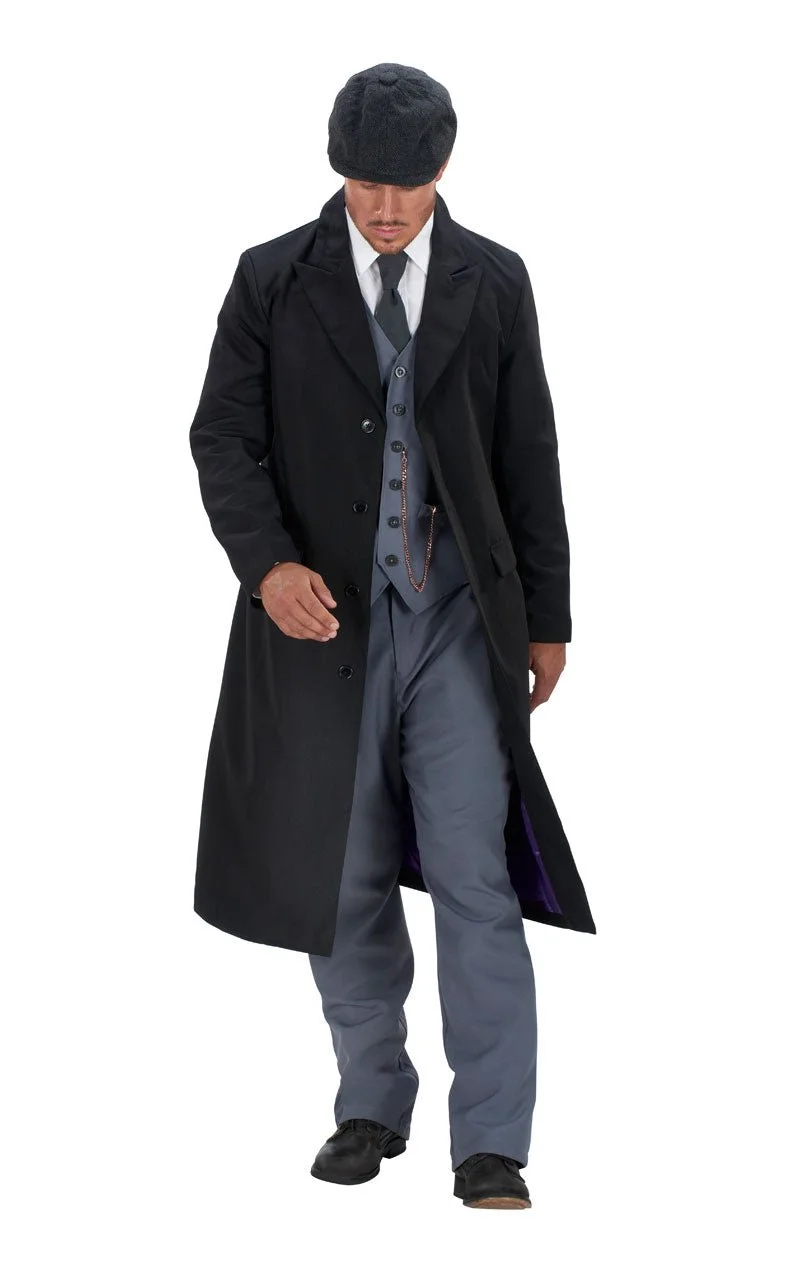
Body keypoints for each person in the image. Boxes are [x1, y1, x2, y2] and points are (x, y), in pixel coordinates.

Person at [189, 61, 596, 1211]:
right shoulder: (271, 277)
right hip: (324, 630)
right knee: (345, 871)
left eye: (403, 185)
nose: (381, 206)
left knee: (474, 872)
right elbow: (223, 438)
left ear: (441, 168)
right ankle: (370, 1102)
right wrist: (267, 564)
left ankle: (491, 1140)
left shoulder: (493, 279)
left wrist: (548, 617)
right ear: (337, 170)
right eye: (362, 181)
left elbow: (528, 450)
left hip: (458, 620)